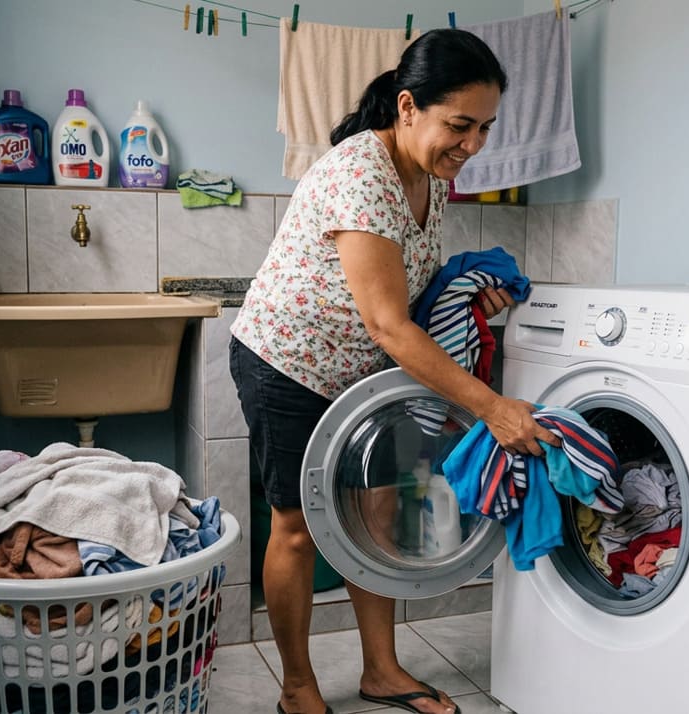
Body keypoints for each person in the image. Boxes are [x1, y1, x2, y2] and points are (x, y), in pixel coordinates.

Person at [230, 28, 561, 714]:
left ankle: (381, 670)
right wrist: (492, 409)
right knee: (296, 523)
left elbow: (408, 286)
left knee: (372, 515)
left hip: (359, 373)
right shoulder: (361, 174)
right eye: (460, 125)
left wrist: (472, 293)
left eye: (485, 128)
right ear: (408, 107)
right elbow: (388, 322)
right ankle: (297, 688)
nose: (472, 145)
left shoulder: (431, 177)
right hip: (288, 360)